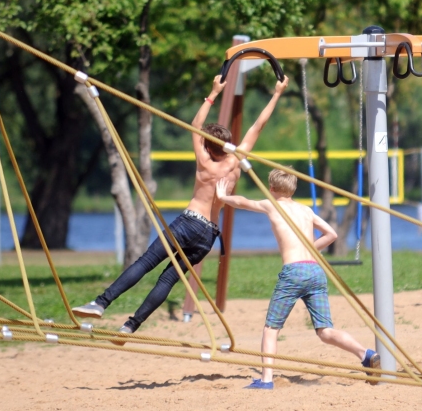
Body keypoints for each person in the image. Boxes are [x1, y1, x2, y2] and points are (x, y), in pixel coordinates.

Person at [72, 73, 290, 336]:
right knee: (168, 279)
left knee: (145, 263)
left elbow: (195, 125)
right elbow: (258, 126)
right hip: (208, 234)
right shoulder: (235, 162)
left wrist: (212, 93)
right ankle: (131, 325)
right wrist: (277, 93)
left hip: (188, 223)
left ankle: (101, 303)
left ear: (207, 146)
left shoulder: (205, 161)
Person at [215, 170, 380, 390]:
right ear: (293, 189)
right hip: (315, 272)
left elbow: (243, 202)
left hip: (293, 272)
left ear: (271, 189)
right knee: (325, 330)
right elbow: (332, 234)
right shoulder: (305, 210)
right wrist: (310, 249)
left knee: (271, 329)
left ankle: (266, 380)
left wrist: (223, 197)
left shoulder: (271, 204)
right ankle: (365, 353)